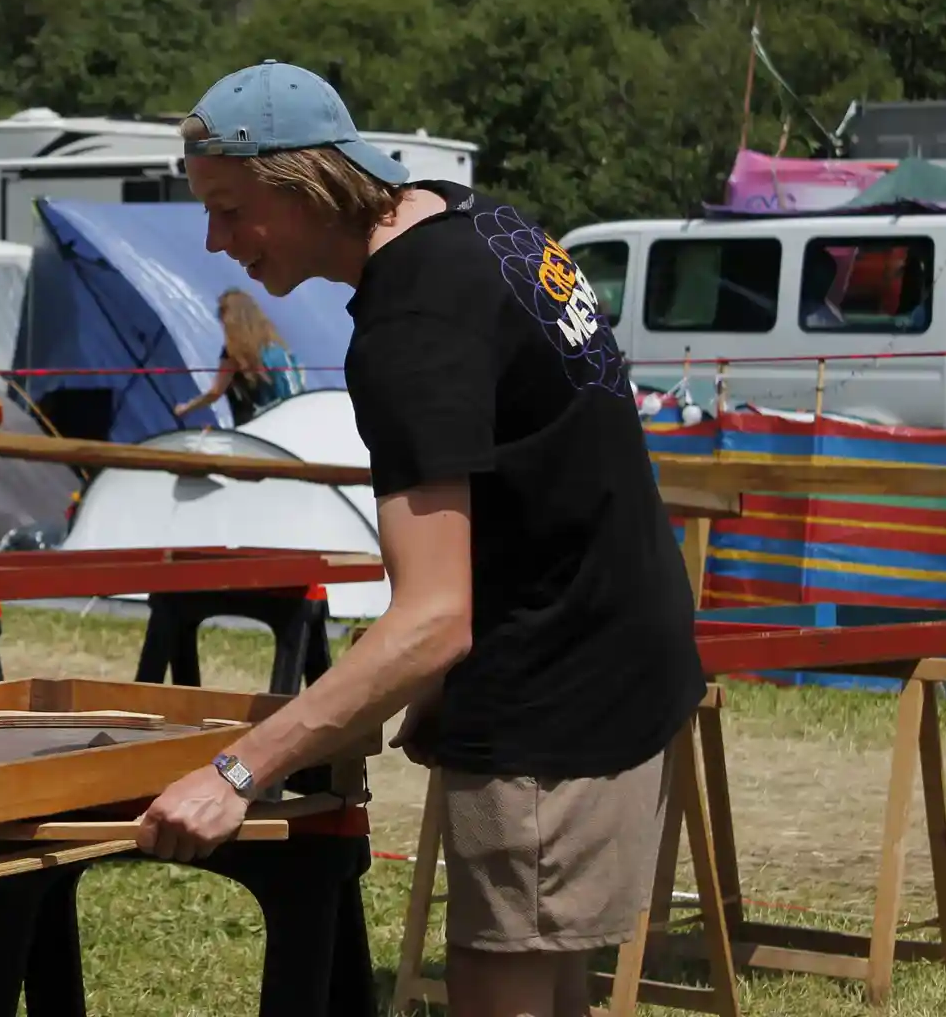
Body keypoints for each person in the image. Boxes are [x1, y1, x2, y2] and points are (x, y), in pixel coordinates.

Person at [134, 60, 705, 1017]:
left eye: (231, 210)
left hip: (555, 681)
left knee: (500, 980)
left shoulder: (409, 323)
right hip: (623, 642)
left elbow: (437, 619)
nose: (214, 241)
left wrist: (237, 773)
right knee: (550, 976)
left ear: (306, 182)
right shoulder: (475, 220)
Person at [172, 288, 307, 425]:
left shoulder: (234, 352)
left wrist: (186, 408)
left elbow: (215, 393)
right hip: (288, 419)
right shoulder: (273, 342)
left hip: (256, 425)